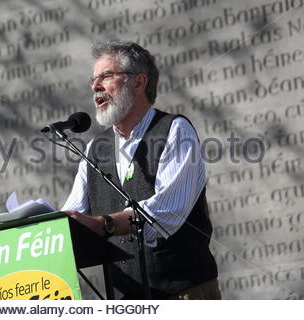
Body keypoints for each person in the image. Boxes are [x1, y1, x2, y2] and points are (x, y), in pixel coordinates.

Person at [62, 40, 220, 299]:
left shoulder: (174, 131)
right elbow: (74, 216)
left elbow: (166, 213)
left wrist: (105, 225)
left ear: (138, 83)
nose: (95, 86)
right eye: (93, 79)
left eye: (106, 76)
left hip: (183, 292)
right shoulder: (94, 149)